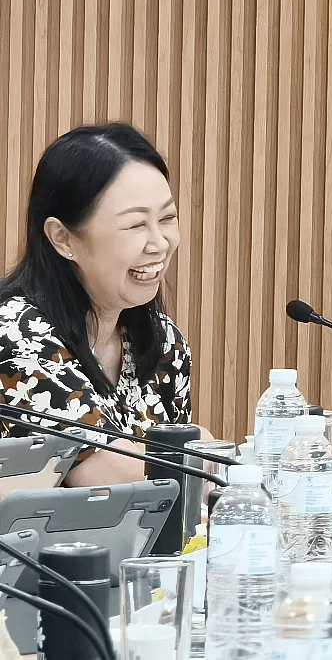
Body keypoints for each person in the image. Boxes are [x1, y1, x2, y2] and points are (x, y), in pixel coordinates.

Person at [0, 123, 193, 486]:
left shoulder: (164, 341)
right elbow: (110, 478)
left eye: (167, 218)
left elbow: (178, 496)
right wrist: (214, 461)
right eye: (135, 225)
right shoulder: (15, 336)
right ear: (63, 238)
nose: (160, 243)